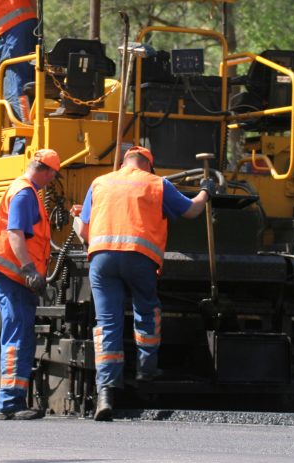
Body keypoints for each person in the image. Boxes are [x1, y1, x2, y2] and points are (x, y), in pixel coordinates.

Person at [74, 146, 214, 421]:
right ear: (148, 165)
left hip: (102, 261)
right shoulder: (157, 183)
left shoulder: (100, 182)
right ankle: (146, 369)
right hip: (139, 259)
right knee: (146, 310)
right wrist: (206, 190)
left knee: (107, 325)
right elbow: (192, 211)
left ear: (125, 162)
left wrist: (74, 218)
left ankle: (105, 394)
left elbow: (84, 229)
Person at [0, 149, 60, 420]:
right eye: (53, 175)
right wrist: (28, 270)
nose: (51, 180)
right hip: (14, 276)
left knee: (20, 333)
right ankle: (9, 403)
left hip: (13, 276)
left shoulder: (24, 190)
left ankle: (12, 401)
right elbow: (15, 234)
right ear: (47, 171)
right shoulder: (25, 193)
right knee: (17, 334)